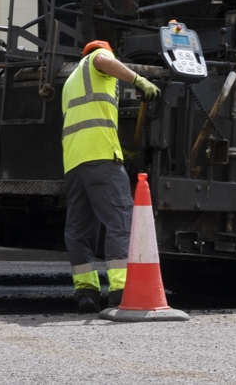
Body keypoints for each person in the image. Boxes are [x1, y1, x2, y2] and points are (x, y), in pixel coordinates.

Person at [60, 38, 159, 313]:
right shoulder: (97, 59)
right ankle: (120, 289)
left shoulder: (70, 82)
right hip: (101, 158)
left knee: (80, 230)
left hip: (74, 162)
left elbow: (89, 120)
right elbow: (104, 61)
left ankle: (86, 292)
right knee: (121, 220)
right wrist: (139, 80)